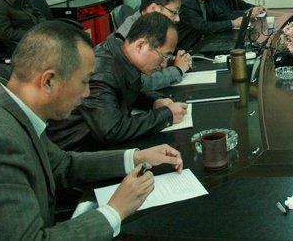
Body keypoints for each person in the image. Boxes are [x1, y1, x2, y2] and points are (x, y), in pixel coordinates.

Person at [0, 21, 183, 240]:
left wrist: (136, 157)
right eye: (84, 81)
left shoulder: (15, 109)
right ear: (49, 81)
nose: (87, 93)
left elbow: (60, 164)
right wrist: (115, 211)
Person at [47, 13, 188, 151]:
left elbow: (127, 89)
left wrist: (154, 101)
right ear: (141, 45)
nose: (164, 64)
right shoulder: (103, 72)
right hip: (78, 152)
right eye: (164, 56)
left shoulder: (120, 55)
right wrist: (166, 116)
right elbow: (111, 131)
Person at [115, 0, 192, 90]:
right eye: (174, 12)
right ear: (154, 8)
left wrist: (176, 59)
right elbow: (141, 81)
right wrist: (178, 69)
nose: (177, 19)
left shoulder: (152, 27)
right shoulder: (128, 35)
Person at [177, 0, 243, 51]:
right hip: (189, 49)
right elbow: (203, 27)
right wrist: (233, 23)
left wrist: (244, 16)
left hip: (205, 42)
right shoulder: (186, 3)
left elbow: (221, 15)